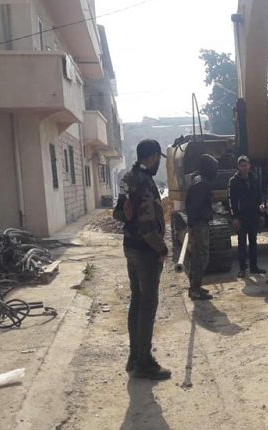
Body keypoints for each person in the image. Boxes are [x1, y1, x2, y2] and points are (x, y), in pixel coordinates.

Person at [116, 139, 171, 380]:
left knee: (137, 302)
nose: (158, 162)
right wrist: (161, 248)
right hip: (146, 250)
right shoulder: (145, 182)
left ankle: (134, 357)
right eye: (158, 158)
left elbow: (118, 212)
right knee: (147, 305)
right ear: (153, 156)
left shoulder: (128, 178)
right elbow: (148, 226)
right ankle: (144, 363)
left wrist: (126, 214)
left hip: (130, 246)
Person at [185, 154, 219, 301]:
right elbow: (194, 206)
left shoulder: (199, 180)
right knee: (201, 257)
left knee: (198, 256)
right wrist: (191, 226)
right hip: (199, 224)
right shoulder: (201, 183)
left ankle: (195, 286)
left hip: (199, 222)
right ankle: (195, 289)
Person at [228, 156, 266, 278]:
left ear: (249, 166)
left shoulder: (254, 178)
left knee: (253, 242)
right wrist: (234, 217)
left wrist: (261, 214)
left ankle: (254, 267)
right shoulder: (233, 181)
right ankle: (243, 269)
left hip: (253, 215)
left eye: (246, 165)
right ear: (238, 167)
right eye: (242, 166)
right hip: (241, 217)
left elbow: (259, 196)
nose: (244, 168)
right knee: (242, 243)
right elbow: (231, 200)